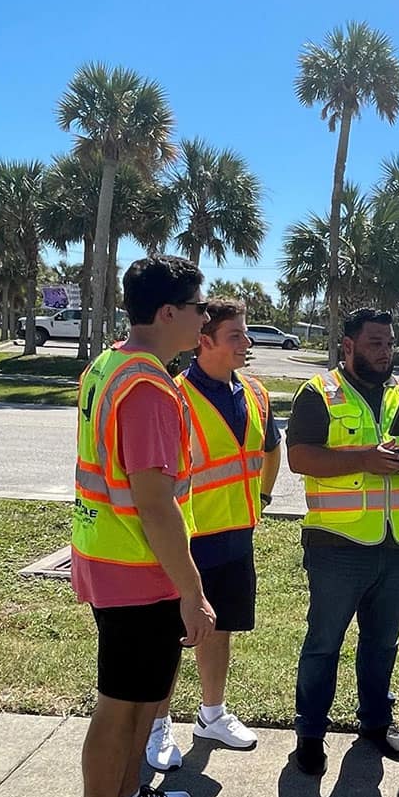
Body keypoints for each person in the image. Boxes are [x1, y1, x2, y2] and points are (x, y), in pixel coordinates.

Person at [65, 256, 216, 797]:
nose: (205, 318)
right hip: (136, 565)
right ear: (168, 313)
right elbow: (154, 503)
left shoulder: (112, 363)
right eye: (199, 307)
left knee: (139, 697)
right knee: (121, 705)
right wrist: (192, 589)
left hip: (111, 555)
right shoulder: (150, 386)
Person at [284, 307, 399, 775]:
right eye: (375, 343)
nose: (385, 352)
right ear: (348, 346)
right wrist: (365, 460)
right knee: (323, 643)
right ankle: (310, 731)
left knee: (382, 643)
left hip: (398, 546)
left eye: (390, 343)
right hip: (338, 545)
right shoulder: (319, 394)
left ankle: (375, 721)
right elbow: (300, 458)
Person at [145, 299, 282, 770]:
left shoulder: (256, 393)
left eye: (245, 334)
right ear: (205, 341)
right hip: (189, 539)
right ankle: (158, 727)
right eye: (237, 336)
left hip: (235, 535)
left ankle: (211, 714)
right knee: (173, 636)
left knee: (220, 629)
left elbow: (270, 449)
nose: (247, 343)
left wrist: (261, 499)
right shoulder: (175, 396)